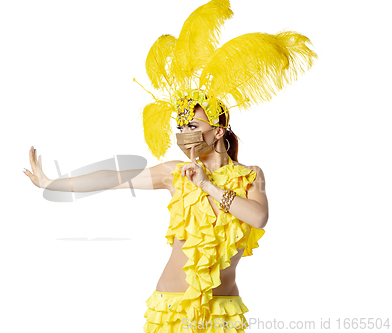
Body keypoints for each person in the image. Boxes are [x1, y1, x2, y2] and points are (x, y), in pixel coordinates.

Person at [23, 1, 317, 332]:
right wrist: (53, 183)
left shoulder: (250, 175)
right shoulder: (176, 173)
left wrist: (207, 186)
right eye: (180, 128)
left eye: (192, 125)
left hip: (222, 311)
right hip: (172, 310)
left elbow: (259, 218)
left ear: (218, 130)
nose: (183, 134)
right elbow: (116, 178)